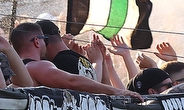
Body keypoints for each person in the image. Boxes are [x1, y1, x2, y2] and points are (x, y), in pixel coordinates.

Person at [10, 22, 141, 100]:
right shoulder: (37, 66)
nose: (46, 43)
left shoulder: (13, 70)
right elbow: (72, 81)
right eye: (44, 39)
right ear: (37, 41)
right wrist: (118, 91)